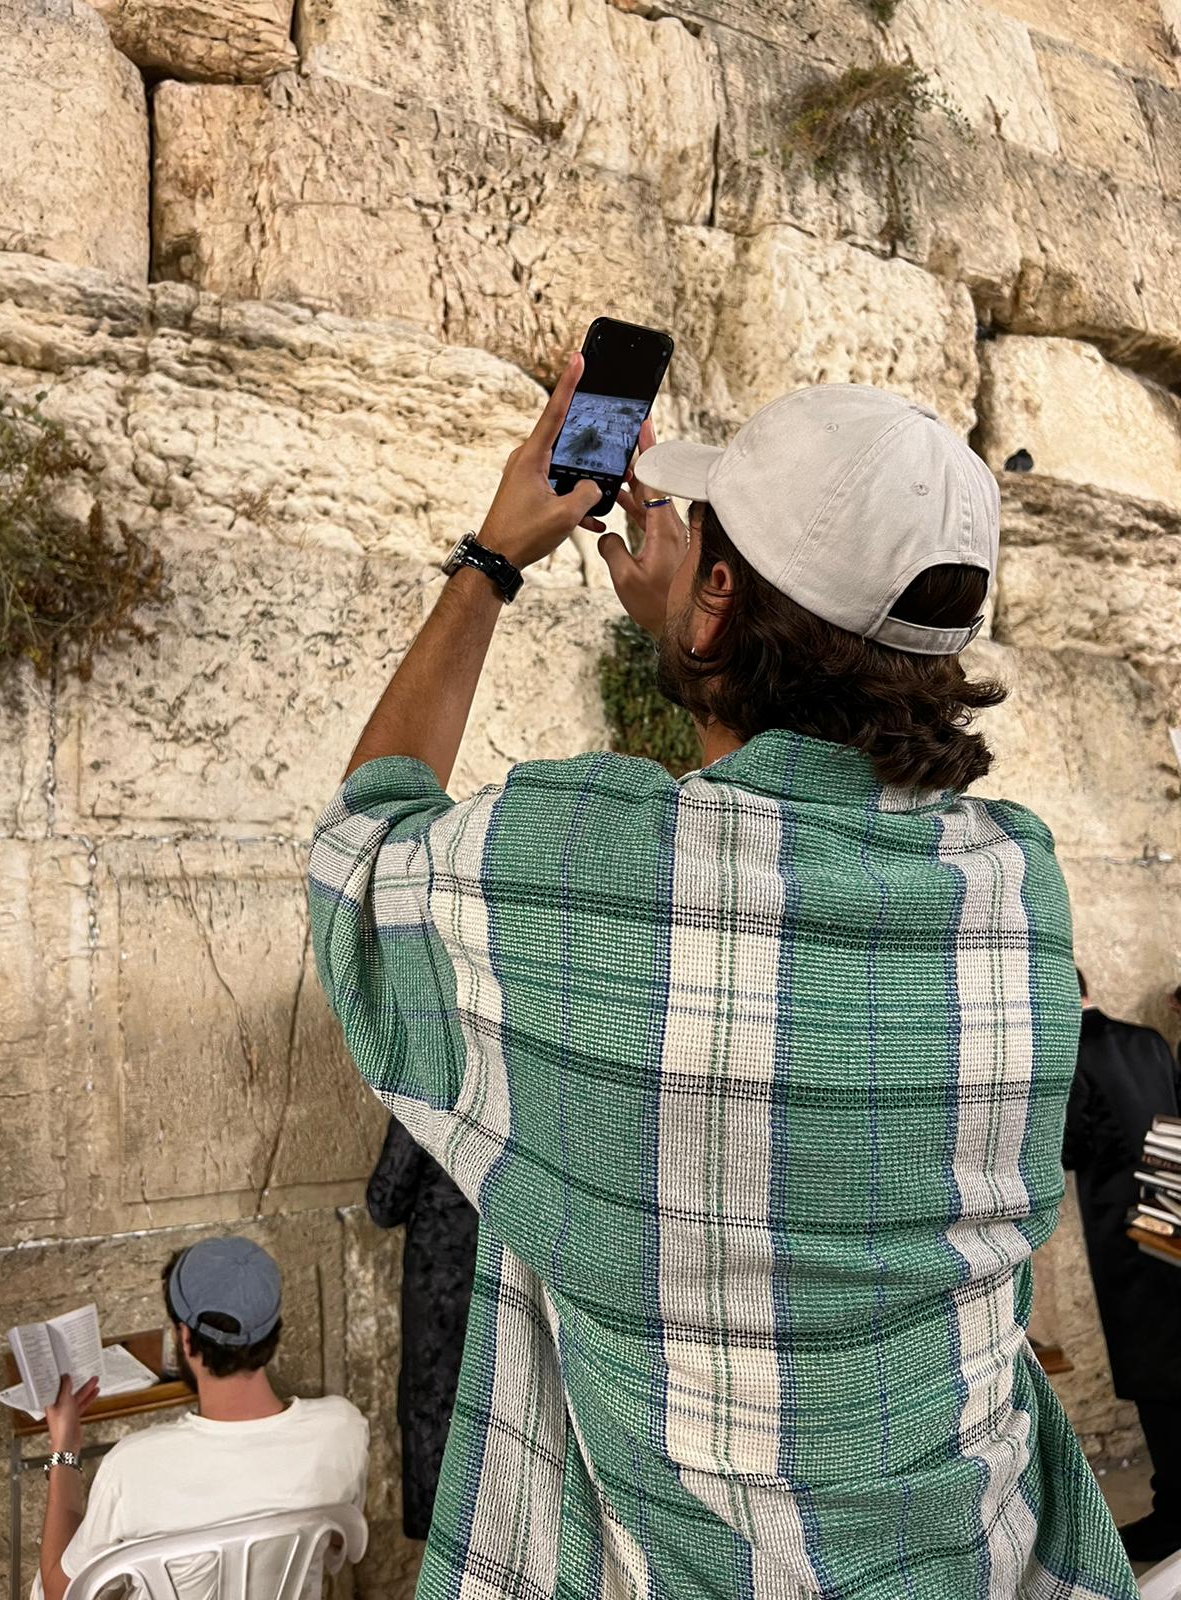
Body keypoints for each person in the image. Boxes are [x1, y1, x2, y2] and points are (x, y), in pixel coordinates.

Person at [309, 362, 1137, 1597]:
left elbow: (360, 858)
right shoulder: (1017, 888)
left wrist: (492, 559)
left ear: (716, 603)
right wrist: (701, 624)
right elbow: (752, 865)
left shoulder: (578, 869)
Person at [35, 1236, 369, 1600]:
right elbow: (338, 1550)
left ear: (186, 1339)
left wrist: (64, 1447)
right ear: (274, 1332)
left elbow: (59, 1592)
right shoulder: (343, 1429)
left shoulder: (133, 1468)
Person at [1065, 969, 1181, 1563]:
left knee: (1153, 1369)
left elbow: (1071, 1148)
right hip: (1173, 1215)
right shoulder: (1149, 1041)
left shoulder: (1070, 1053)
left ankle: (1174, 1516)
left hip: (1125, 1234)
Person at [367, 1116, 478, 1539]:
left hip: (440, 1300)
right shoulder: (524, 1080)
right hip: (511, 1287)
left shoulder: (426, 1092)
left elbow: (384, 1202)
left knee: (438, 1421)